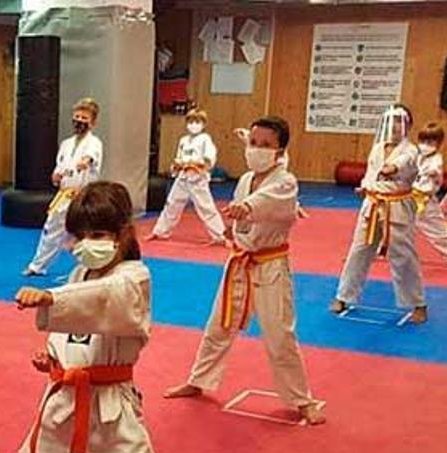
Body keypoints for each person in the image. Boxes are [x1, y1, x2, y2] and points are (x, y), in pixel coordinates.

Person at [2, 182, 166, 453]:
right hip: (63, 403)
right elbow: (74, 332)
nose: (86, 244)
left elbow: (106, 298)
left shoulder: (134, 278)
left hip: (113, 410)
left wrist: (52, 297)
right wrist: (54, 358)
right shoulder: (80, 274)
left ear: (124, 233)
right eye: (80, 236)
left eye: (98, 235)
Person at [163, 116, 325, 426]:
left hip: (270, 266)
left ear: (280, 151)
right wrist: (232, 224)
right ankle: (198, 380)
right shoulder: (246, 179)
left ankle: (302, 400)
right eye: (253, 143)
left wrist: (247, 207)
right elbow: (242, 213)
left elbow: (267, 203)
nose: (257, 149)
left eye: (266, 145)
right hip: (240, 261)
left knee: (279, 335)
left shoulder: (285, 181)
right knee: (217, 325)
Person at [330, 104, 427, 323]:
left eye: (398, 123)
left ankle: (418, 304)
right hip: (372, 204)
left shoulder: (410, 151)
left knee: (403, 257)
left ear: (407, 126)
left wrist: (390, 168)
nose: (393, 128)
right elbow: (370, 173)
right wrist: (365, 186)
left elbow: (401, 165)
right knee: (359, 251)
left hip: (397, 207)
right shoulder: (377, 148)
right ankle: (343, 296)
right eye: (390, 122)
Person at [24, 98, 104, 276]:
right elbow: (59, 168)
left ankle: (96, 266)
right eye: (77, 116)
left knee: (87, 234)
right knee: (51, 228)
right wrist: (56, 176)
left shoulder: (94, 143)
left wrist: (84, 161)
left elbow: (89, 159)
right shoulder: (66, 144)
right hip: (64, 194)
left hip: (83, 196)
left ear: (93, 122)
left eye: (84, 117)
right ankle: (38, 266)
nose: (79, 121)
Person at [146, 109, 226, 244]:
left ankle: (220, 236)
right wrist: (177, 165)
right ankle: (160, 231)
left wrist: (198, 165)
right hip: (182, 177)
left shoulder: (205, 139)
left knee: (206, 207)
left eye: (197, 122)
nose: (193, 125)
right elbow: (179, 157)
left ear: (203, 124)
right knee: (172, 204)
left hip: (197, 178)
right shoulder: (183, 140)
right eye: (191, 121)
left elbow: (209, 158)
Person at [411, 122, 447, 261]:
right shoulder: (416, 156)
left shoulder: (436, 159)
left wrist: (435, 173)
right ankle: (383, 249)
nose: (426, 144)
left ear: (438, 144)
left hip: (425, 200)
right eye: (424, 141)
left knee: (436, 229)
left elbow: (438, 174)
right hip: (410, 197)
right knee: (397, 225)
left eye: (431, 141)